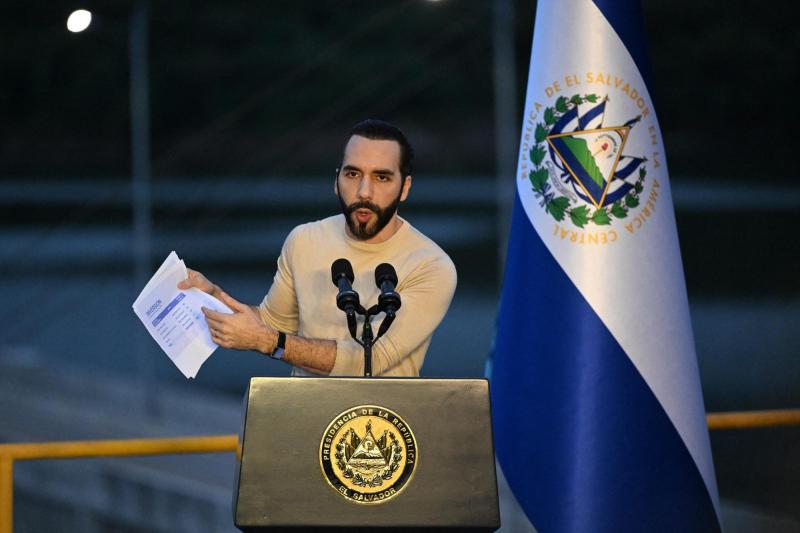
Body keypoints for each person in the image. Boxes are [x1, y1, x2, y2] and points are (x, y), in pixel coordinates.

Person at [178, 119, 457, 376]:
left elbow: (371, 359)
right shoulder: (304, 240)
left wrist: (267, 341)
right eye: (352, 174)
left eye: (381, 177)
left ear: (405, 187)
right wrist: (212, 296)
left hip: (387, 425)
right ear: (336, 181)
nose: (364, 192)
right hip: (308, 419)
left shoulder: (431, 265)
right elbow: (273, 325)